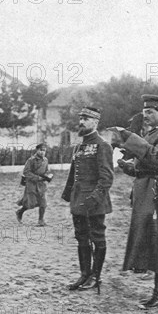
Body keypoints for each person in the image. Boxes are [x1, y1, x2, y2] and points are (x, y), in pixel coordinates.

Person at [109, 95, 158, 309]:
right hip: (148, 190)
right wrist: (128, 165)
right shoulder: (153, 134)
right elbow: (147, 165)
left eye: (150, 112)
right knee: (151, 240)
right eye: (145, 111)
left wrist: (130, 137)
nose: (145, 116)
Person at [62, 107, 114, 292]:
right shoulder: (79, 146)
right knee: (81, 238)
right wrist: (68, 194)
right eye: (81, 118)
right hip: (78, 201)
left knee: (97, 238)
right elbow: (73, 173)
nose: (81, 122)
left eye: (86, 119)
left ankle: (95, 276)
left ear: (95, 122)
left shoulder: (103, 145)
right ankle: (84, 274)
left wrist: (94, 199)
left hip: (94, 202)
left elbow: (106, 177)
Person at [16, 143, 52, 226]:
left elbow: (46, 170)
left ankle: (41, 220)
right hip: (31, 184)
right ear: (37, 150)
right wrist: (37, 178)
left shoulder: (45, 160)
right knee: (30, 203)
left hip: (41, 185)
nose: (43, 152)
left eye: (44, 151)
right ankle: (20, 212)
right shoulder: (31, 160)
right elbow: (26, 172)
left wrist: (48, 175)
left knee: (43, 203)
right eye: (41, 150)